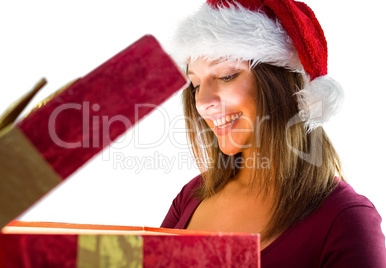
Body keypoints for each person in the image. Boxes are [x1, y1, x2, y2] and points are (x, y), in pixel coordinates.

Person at [161, 0, 386, 267]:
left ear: (281, 82)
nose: (202, 102)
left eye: (226, 75)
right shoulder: (192, 195)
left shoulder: (345, 219)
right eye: (196, 84)